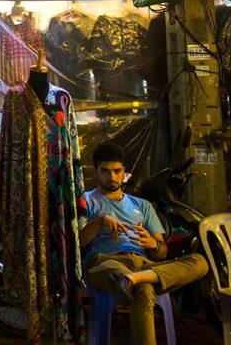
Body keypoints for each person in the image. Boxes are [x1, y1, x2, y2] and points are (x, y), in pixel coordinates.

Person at [79, 142, 209, 345]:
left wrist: (152, 244)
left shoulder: (142, 205)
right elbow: (78, 242)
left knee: (200, 262)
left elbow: (161, 253)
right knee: (144, 290)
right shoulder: (85, 201)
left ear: (124, 171)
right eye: (105, 171)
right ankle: (134, 279)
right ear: (96, 171)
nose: (112, 177)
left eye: (117, 171)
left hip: (144, 263)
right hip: (105, 262)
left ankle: (133, 278)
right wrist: (101, 220)